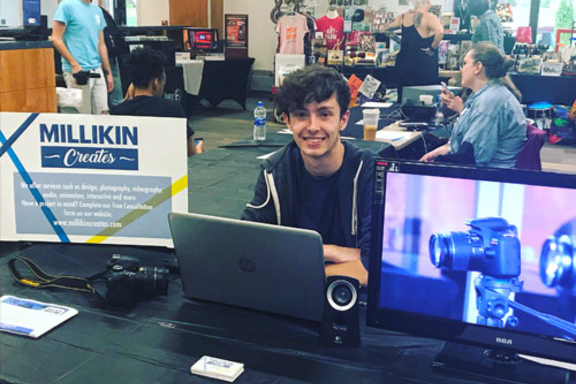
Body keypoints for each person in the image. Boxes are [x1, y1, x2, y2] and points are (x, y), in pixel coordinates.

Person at [241, 66, 375, 286]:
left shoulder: (368, 172)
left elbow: (378, 266)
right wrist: (334, 253)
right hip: (292, 302)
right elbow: (248, 247)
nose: (313, 127)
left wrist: (309, 262)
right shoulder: (275, 171)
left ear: (343, 119)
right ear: (288, 121)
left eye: (324, 114)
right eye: (301, 115)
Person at [420, 42, 526, 168]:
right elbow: (464, 146)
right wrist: (439, 153)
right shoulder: (484, 95)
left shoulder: (489, 102)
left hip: (488, 177)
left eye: (464, 63)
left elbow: (472, 158)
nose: (461, 69)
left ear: (478, 67)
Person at [110, 47, 203, 156]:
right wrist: (199, 150)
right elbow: (190, 153)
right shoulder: (173, 110)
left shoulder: (117, 112)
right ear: (155, 83)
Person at [52, 0, 114, 115]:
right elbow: (56, 39)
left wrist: (108, 72)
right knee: (81, 116)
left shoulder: (97, 10)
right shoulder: (66, 6)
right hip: (77, 71)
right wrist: (74, 64)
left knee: (103, 113)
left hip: (97, 69)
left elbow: (101, 44)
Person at [383, 0, 444, 95]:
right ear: (427, 3)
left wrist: (399, 41)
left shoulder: (403, 17)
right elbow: (440, 32)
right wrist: (432, 48)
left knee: (404, 99)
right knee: (424, 100)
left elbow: (384, 29)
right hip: (423, 67)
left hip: (404, 66)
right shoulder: (429, 17)